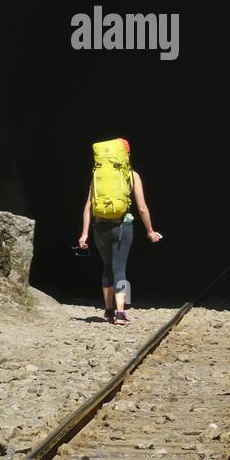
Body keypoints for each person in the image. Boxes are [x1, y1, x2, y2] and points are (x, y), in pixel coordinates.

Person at [77, 138, 161, 325]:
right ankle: (121, 313)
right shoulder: (132, 176)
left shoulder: (97, 175)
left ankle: (108, 309)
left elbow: (88, 206)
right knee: (120, 268)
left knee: (107, 266)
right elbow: (142, 208)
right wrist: (150, 231)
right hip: (123, 226)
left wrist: (84, 234)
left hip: (99, 227)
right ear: (126, 155)